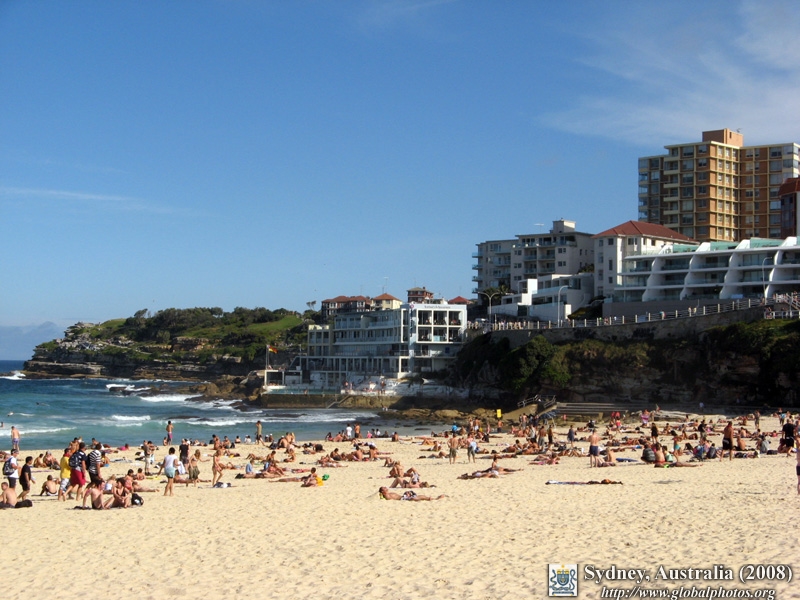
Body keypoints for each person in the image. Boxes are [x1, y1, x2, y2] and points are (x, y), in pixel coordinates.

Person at [378, 487, 444, 501]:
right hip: (402, 499)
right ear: (383, 491)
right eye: (384, 488)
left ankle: (432, 498)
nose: (386, 488)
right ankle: (435, 499)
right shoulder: (387, 495)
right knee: (416, 498)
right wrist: (382, 494)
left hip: (403, 496)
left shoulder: (388, 493)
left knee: (420, 496)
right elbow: (383, 497)